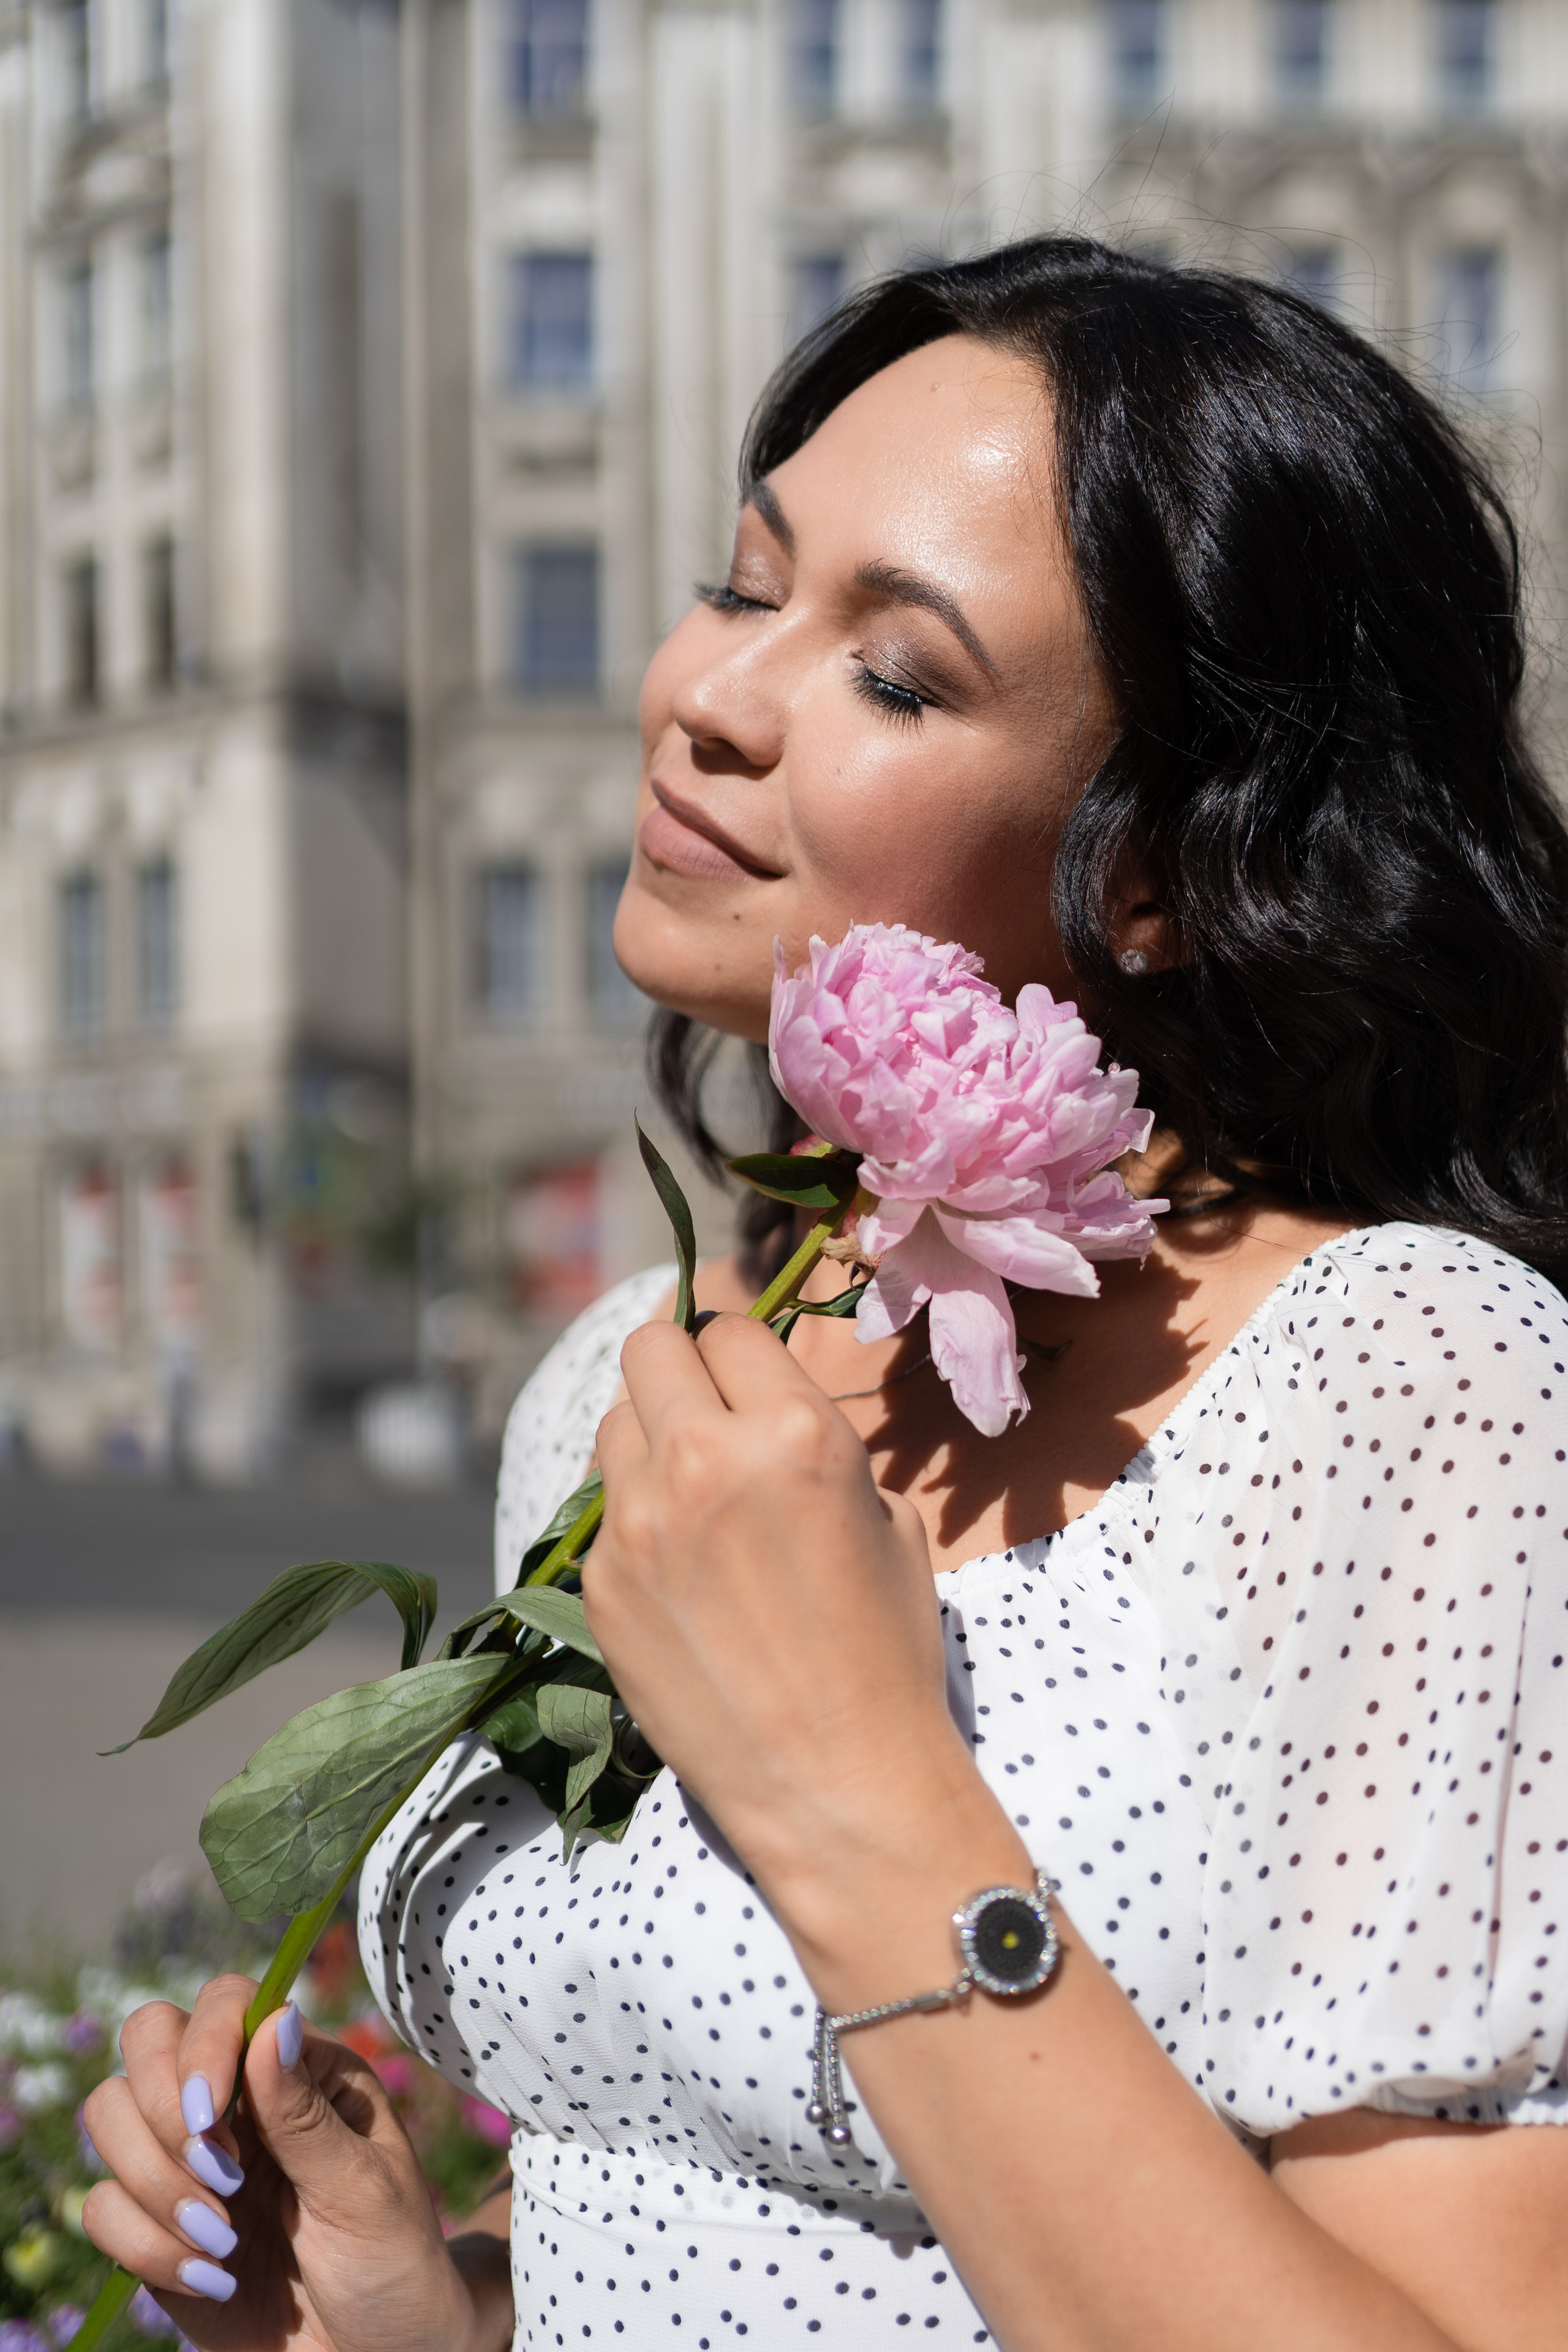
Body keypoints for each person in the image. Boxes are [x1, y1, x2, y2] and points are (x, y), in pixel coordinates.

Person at [82, 236, 1568, 2351]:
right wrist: (440, 2312)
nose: (706, 692)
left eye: (899, 673)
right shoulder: (631, 1380)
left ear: (1162, 869)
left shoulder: (1413, 1388)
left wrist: (860, 1795)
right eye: (746, 580)